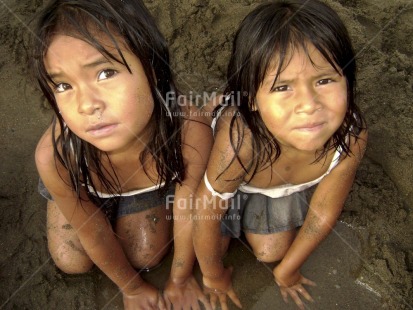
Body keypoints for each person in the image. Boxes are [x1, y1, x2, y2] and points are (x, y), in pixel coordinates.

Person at [30, 0, 212, 309]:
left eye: (105, 73)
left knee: (147, 256)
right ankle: (65, 203)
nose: (86, 105)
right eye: (63, 85)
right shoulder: (55, 157)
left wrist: (179, 278)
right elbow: (90, 229)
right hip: (83, 184)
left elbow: (187, 208)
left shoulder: (189, 129)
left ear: (152, 70)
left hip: (145, 186)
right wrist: (131, 287)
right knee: (70, 261)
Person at [193, 0, 368, 309]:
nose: (308, 104)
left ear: (349, 81)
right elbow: (205, 213)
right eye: (283, 86)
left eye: (325, 80)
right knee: (210, 248)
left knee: (271, 253)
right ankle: (217, 107)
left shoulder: (352, 135)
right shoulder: (240, 141)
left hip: (276, 187)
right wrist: (212, 276)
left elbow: (324, 209)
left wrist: (287, 270)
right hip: (233, 179)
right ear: (254, 101)